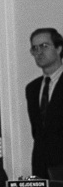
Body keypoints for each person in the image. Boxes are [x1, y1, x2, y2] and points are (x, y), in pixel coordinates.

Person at [26, 27, 63, 179]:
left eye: (44, 46)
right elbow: (38, 131)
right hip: (41, 167)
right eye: (35, 48)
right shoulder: (32, 88)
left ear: (59, 48)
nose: (39, 52)